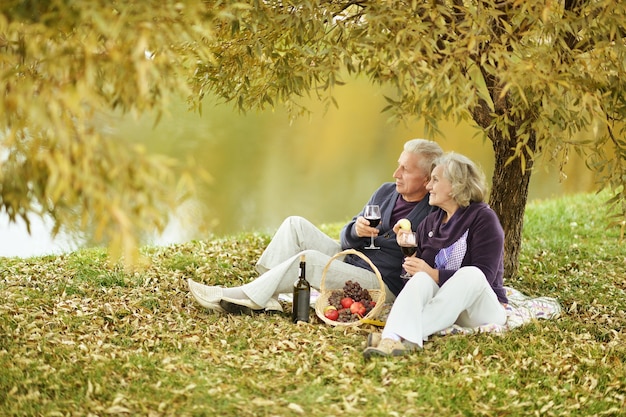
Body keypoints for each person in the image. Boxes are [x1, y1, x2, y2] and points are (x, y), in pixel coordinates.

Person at [187, 139, 444, 314]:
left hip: (380, 283)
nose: (395, 173)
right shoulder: (386, 192)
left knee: (308, 261)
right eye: (398, 165)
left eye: (405, 169)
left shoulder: (433, 213)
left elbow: (422, 262)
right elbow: (346, 237)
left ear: (426, 178)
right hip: (352, 259)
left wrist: (404, 242)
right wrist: (357, 231)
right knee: (295, 225)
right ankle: (267, 295)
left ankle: (246, 296)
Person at [362, 152, 509, 358]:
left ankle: (403, 336)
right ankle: (392, 339)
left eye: (435, 180)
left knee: (471, 274)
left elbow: (484, 277)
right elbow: (417, 284)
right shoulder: (429, 223)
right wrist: (410, 253)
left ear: (456, 185)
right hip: (446, 310)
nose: (428, 186)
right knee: (421, 278)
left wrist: (433, 273)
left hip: (481, 310)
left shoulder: (483, 218)